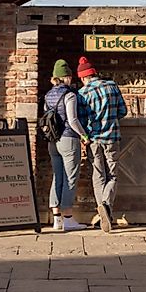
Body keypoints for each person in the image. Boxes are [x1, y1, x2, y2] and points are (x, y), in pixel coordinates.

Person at [76, 56, 127, 233]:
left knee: (98, 176)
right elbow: (123, 111)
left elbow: (81, 120)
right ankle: (106, 206)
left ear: (83, 77)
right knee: (113, 175)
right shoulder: (112, 86)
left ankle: (101, 208)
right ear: (95, 73)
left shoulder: (82, 94)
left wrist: (86, 135)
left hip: (93, 139)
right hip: (112, 137)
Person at [44, 59, 88, 232]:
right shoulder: (69, 95)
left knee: (57, 177)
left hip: (52, 141)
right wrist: (84, 135)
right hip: (68, 139)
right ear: (66, 77)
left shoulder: (48, 95)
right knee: (70, 178)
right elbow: (73, 120)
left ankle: (57, 219)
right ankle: (68, 218)